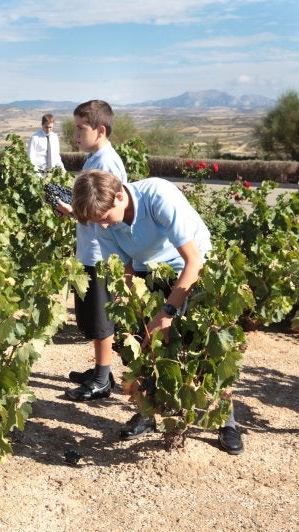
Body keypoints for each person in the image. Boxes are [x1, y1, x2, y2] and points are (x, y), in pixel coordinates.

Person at [69, 169, 244, 455]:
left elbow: (194, 262)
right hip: (148, 271)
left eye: (103, 218)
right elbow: (127, 273)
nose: (100, 226)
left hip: (193, 269)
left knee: (206, 350)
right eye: (95, 221)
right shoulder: (102, 224)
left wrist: (167, 311)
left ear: (119, 196)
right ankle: (148, 414)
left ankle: (226, 421)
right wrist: (134, 313)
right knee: (148, 347)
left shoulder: (157, 197)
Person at [53, 100, 127, 402]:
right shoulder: (95, 157)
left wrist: (72, 211)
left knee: (101, 317)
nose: (76, 135)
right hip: (91, 247)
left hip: (101, 250)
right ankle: (101, 369)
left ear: (100, 129)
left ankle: (102, 379)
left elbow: (106, 212)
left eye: (81, 128)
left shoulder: (105, 162)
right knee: (93, 316)